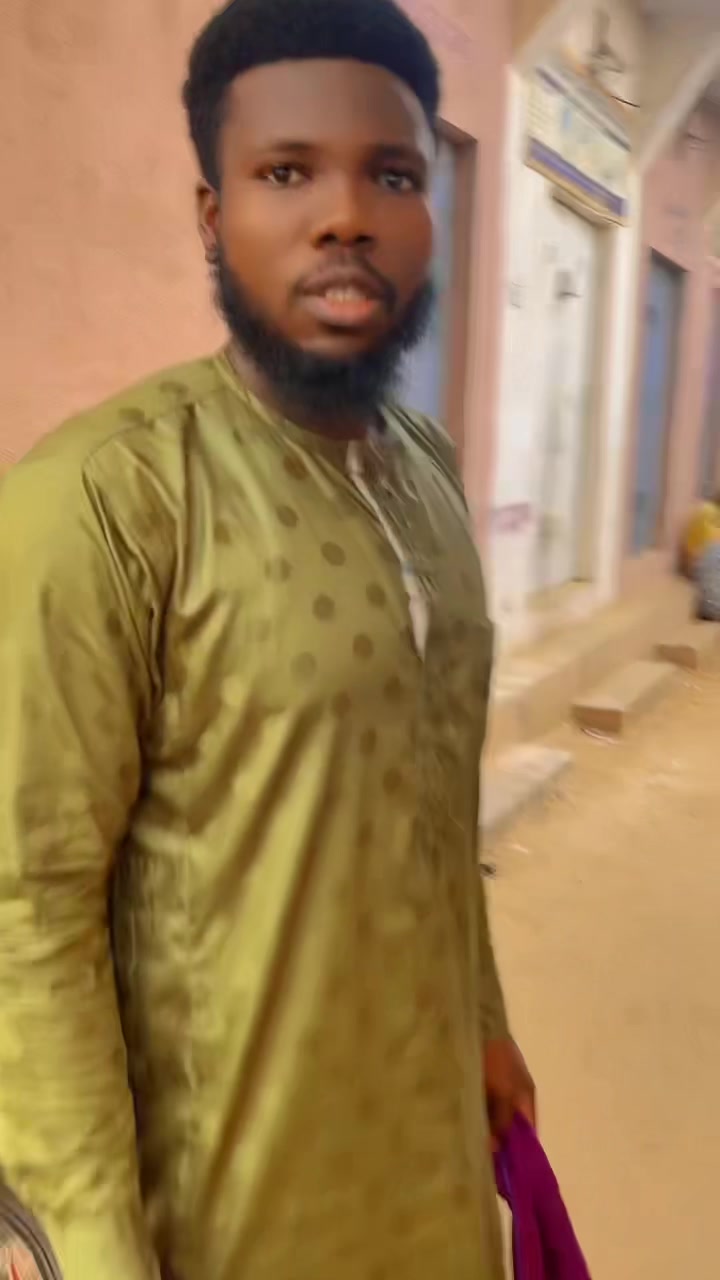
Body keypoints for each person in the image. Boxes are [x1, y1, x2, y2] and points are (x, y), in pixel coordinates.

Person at [0, 2, 535, 1278]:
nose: (344, 216)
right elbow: (28, 906)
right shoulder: (108, 499)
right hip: (229, 1212)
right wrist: (86, 1243)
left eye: (390, 175)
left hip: (431, 1175)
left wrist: (483, 1016)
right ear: (212, 214)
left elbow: (435, 797)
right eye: (287, 172)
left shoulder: (427, 472)